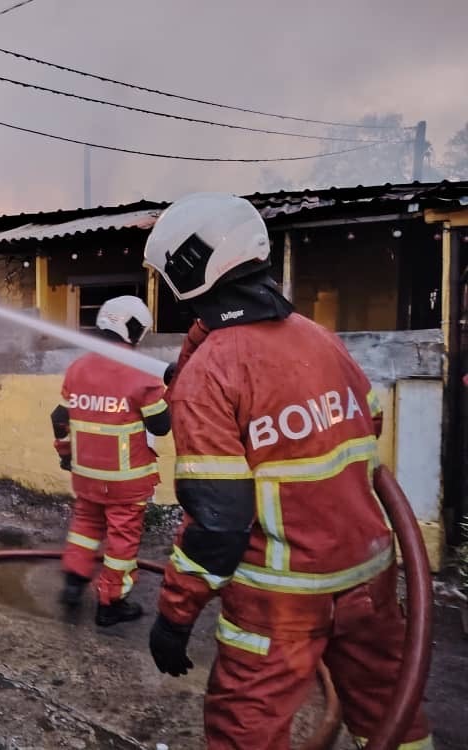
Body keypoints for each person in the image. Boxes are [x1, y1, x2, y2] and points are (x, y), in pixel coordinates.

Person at [142, 193, 432, 749]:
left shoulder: (212, 372)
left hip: (281, 598)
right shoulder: (319, 338)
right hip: (369, 576)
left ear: (193, 266)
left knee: (245, 730)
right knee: (392, 713)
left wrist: (175, 617)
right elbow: (363, 430)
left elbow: (220, 523)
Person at [51, 296, 171, 626]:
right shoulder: (142, 373)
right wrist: (168, 390)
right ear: (130, 328)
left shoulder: (77, 369)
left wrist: (65, 455)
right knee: (122, 540)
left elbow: (59, 417)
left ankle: (74, 583)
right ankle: (110, 604)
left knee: (85, 528)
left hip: (86, 476)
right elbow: (161, 424)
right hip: (126, 483)